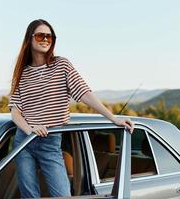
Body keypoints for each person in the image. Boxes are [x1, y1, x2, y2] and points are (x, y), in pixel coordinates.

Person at [8, 19, 134, 198]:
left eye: (49, 37)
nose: (45, 39)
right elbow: (15, 112)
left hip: (50, 141)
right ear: (29, 39)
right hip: (24, 141)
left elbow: (84, 93)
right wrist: (30, 130)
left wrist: (113, 118)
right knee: (29, 196)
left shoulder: (61, 65)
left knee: (62, 195)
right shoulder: (22, 73)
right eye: (40, 35)